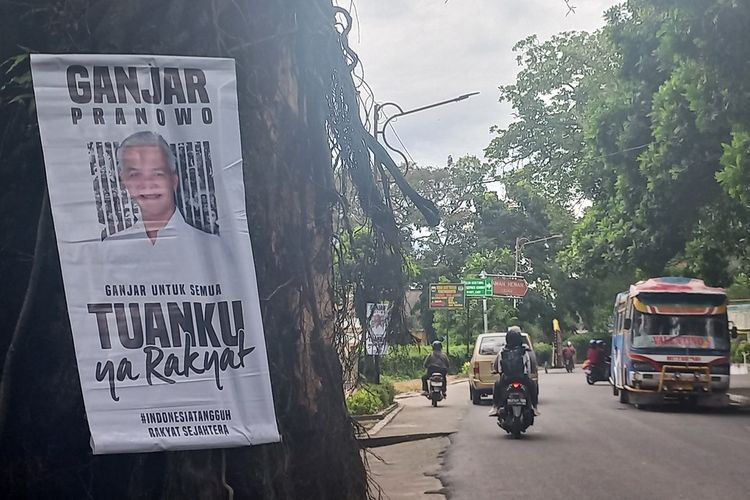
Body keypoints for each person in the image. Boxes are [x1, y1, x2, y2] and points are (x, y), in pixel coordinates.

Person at [109, 130, 217, 246]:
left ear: (174, 181)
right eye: (135, 175)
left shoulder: (211, 247)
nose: (147, 183)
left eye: (157, 173)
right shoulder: (110, 248)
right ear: (125, 182)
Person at [489, 326, 539, 417]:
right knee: (533, 386)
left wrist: (498, 372)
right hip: (522, 378)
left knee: (497, 385)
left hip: (506, 379)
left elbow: (499, 367)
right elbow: (528, 366)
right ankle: (534, 407)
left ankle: (495, 407)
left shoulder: (502, 351)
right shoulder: (524, 351)